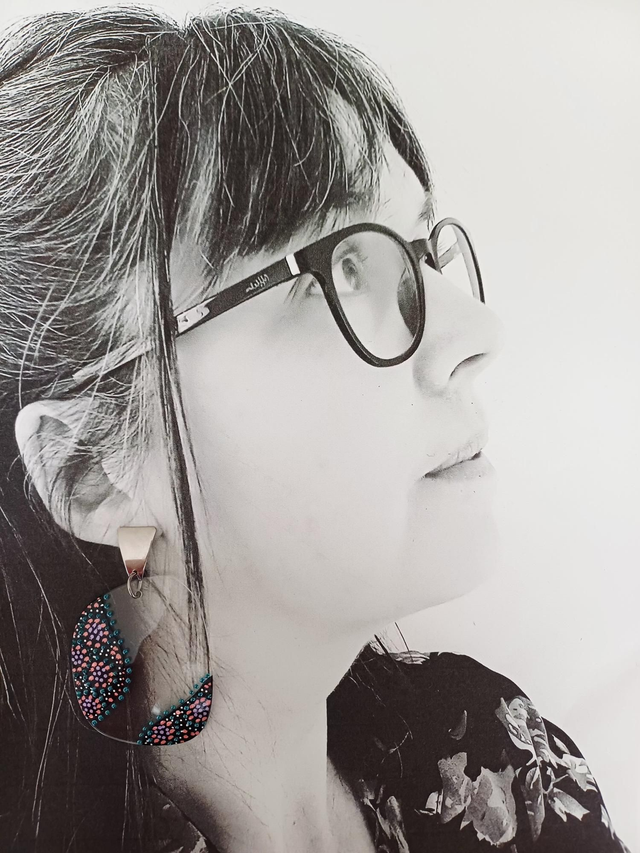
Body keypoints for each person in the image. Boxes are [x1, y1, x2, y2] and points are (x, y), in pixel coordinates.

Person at [0, 7, 630, 853]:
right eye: (339, 265)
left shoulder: (494, 757)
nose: (479, 331)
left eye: (421, 251)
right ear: (90, 467)